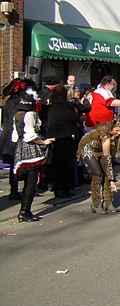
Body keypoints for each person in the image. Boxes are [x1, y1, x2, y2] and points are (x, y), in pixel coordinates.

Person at [13, 88, 55, 222]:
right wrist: (44, 142)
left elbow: (15, 136)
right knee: (31, 183)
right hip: (31, 150)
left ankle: (25, 211)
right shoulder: (30, 114)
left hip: (20, 148)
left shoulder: (18, 114)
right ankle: (24, 212)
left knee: (28, 182)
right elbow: (30, 135)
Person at [77, 120, 120, 213]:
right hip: (88, 147)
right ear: (111, 128)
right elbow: (107, 159)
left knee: (106, 174)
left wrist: (110, 178)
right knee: (98, 174)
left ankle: (108, 202)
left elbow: (108, 159)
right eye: (116, 130)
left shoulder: (116, 138)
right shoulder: (105, 135)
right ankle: (96, 204)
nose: (118, 133)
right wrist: (112, 180)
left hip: (100, 150)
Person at [46, 85, 80, 199]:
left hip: (53, 139)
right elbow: (74, 118)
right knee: (65, 165)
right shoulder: (67, 106)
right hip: (65, 138)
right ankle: (64, 188)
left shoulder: (49, 107)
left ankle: (59, 188)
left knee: (57, 165)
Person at [1, 79, 25, 200]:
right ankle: (15, 191)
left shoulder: (8, 102)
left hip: (7, 135)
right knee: (16, 164)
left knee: (13, 165)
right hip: (15, 136)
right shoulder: (18, 103)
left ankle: (14, 189)